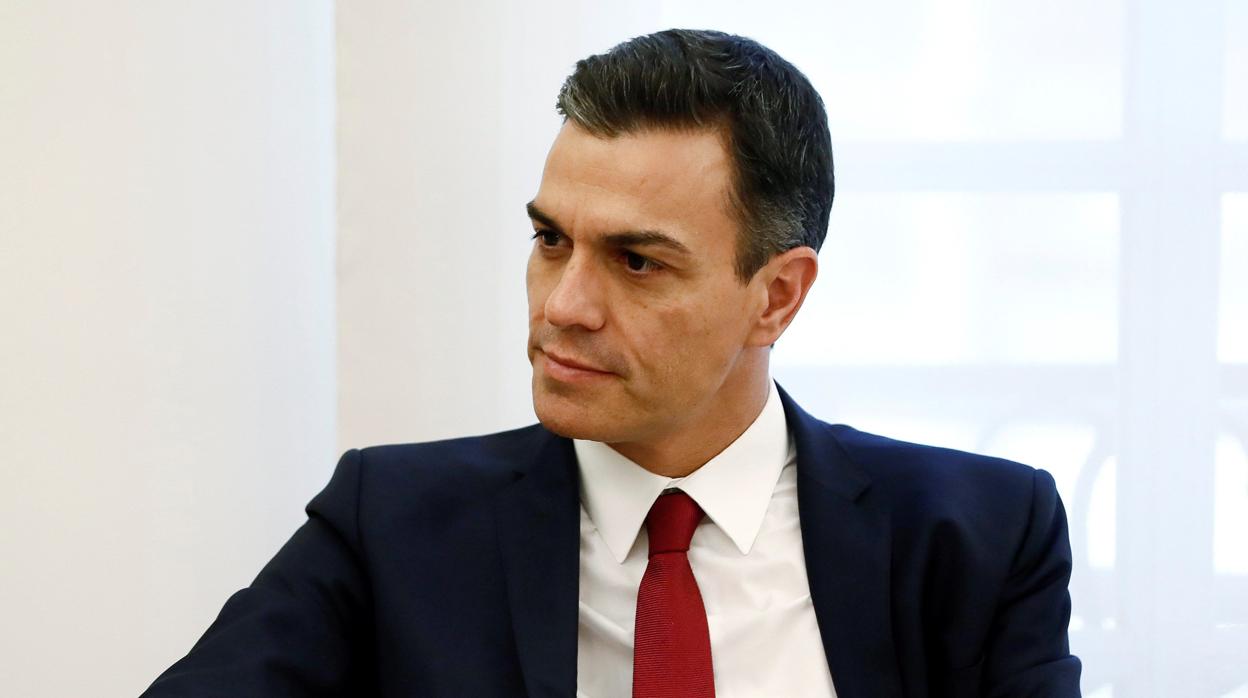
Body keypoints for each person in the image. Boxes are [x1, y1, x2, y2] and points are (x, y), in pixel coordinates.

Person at [143, 29, 1081, 698]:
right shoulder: (392, 524)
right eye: (551, 240)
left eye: (637, 262)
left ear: (776, 296)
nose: (564, 306)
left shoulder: (978, 536)